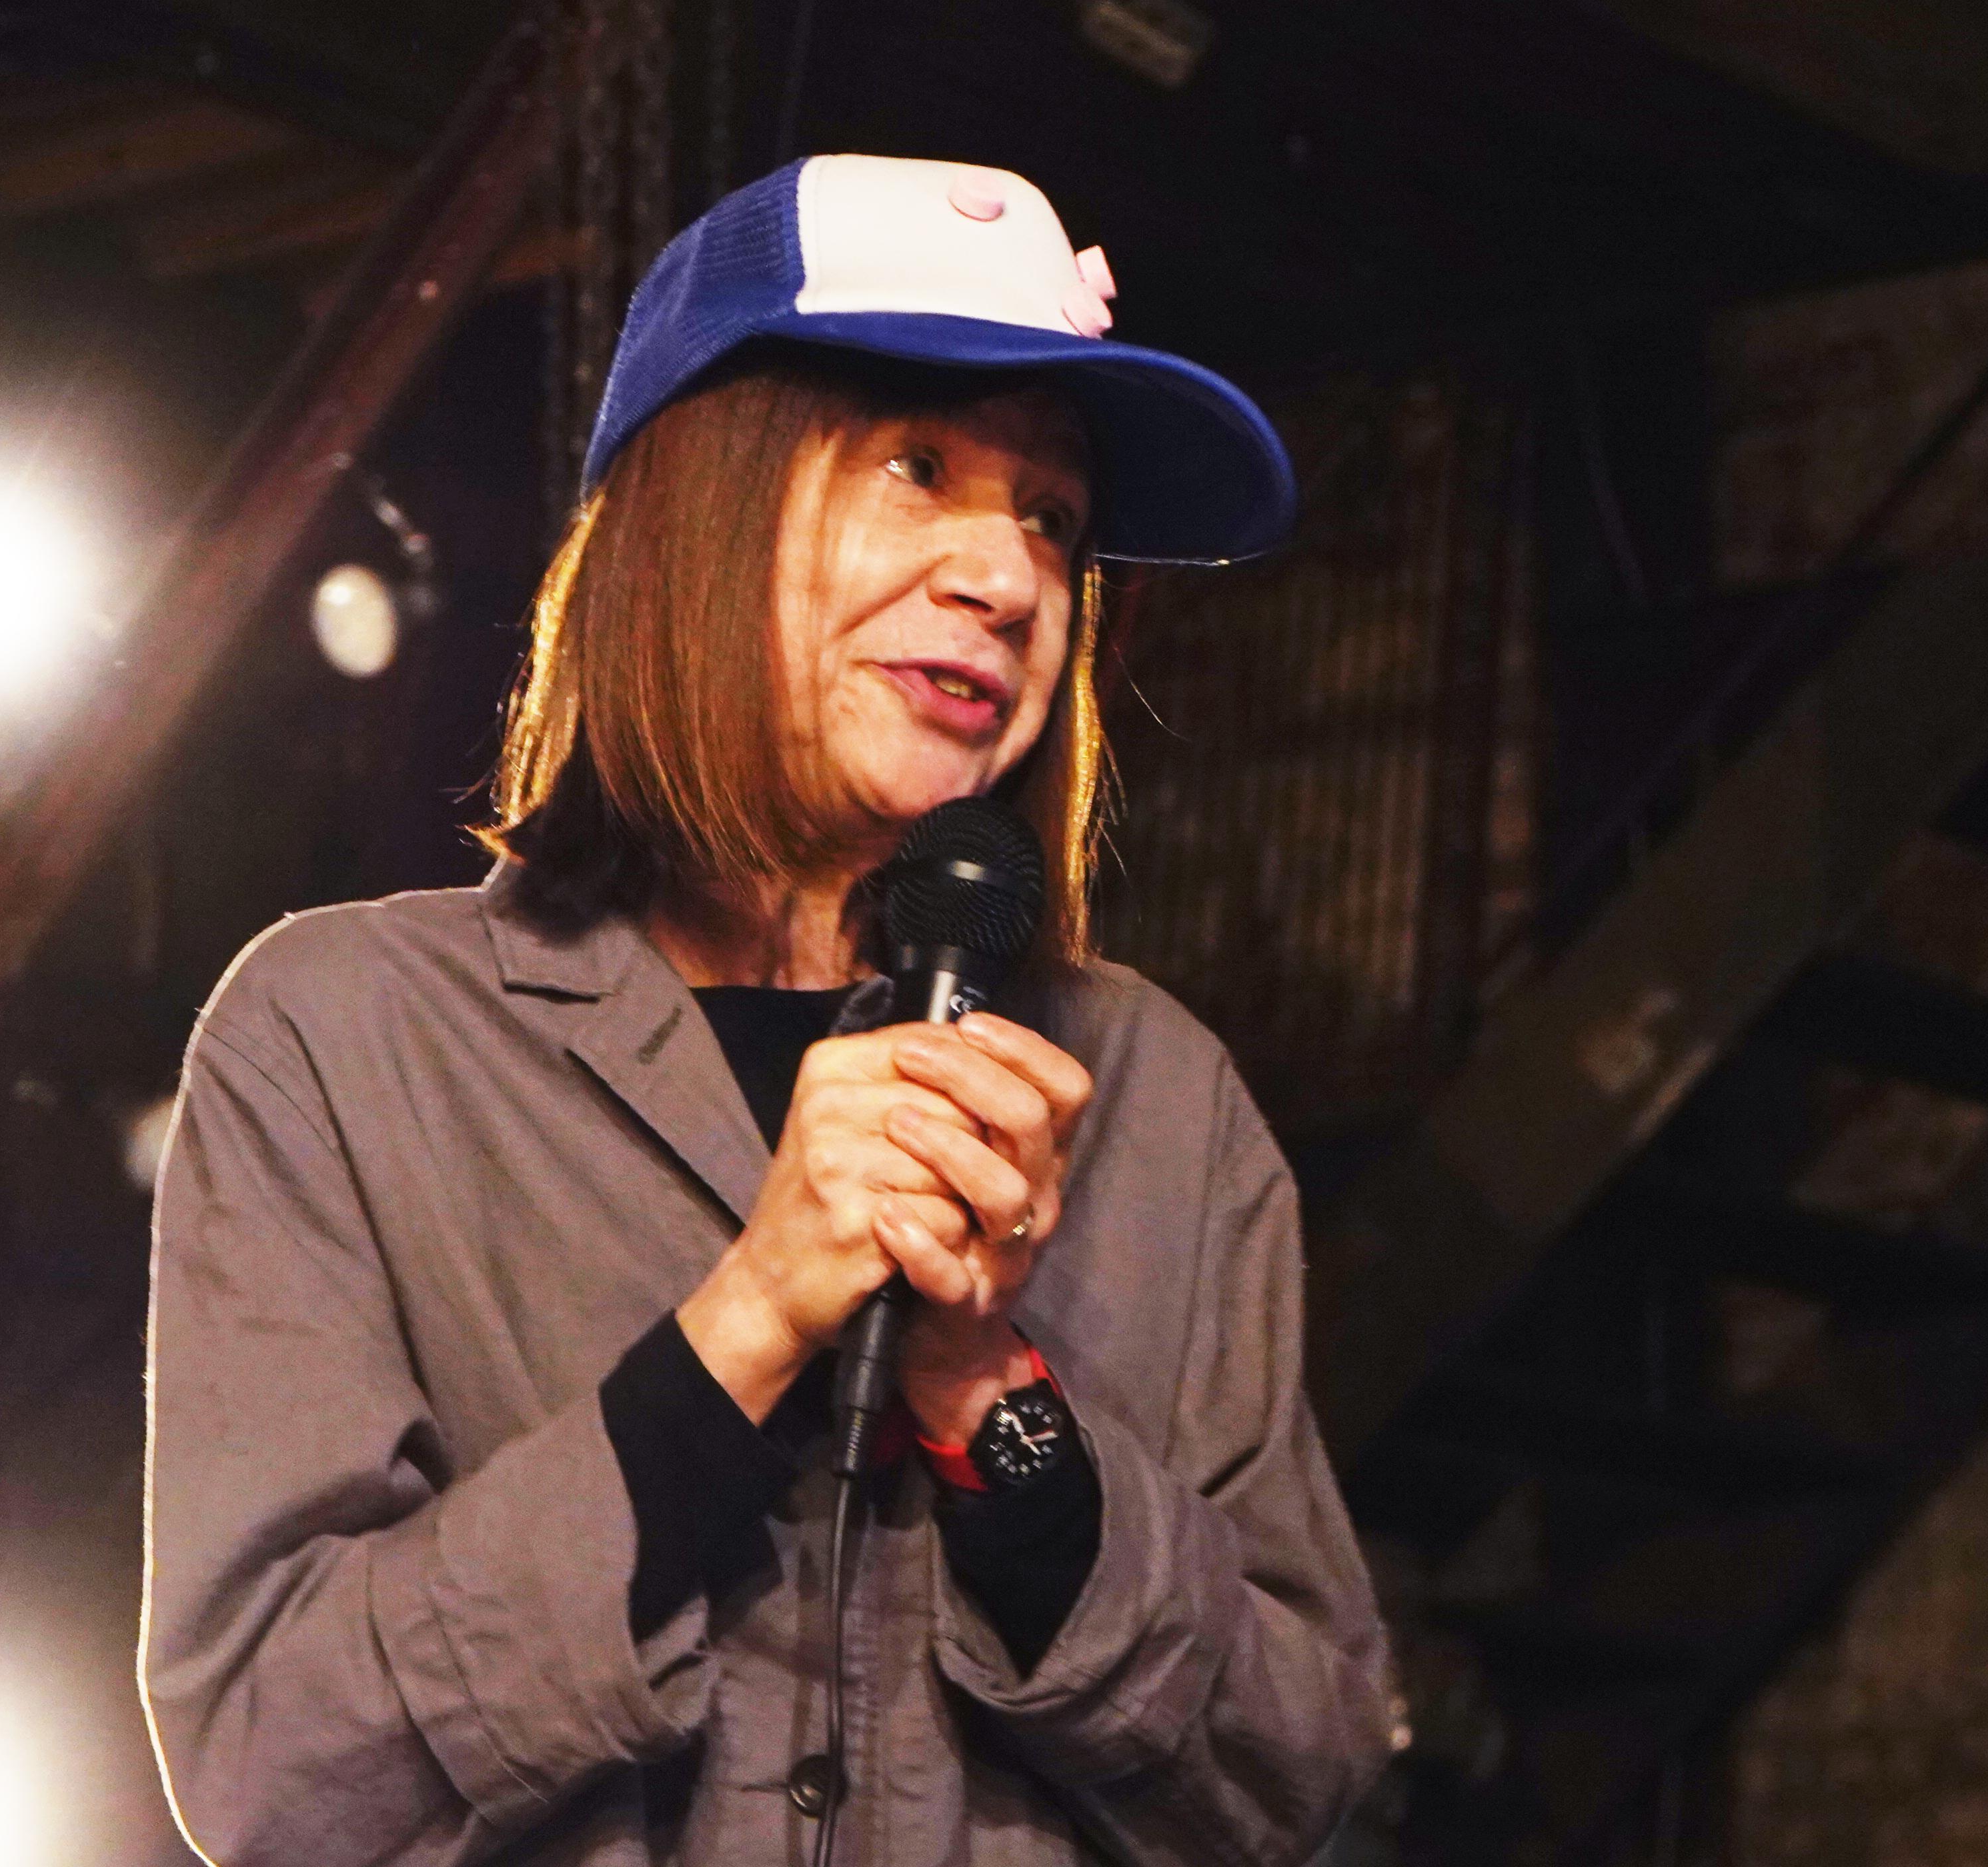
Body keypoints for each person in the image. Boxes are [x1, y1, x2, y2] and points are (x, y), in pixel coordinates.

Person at [141, 154, 1392, 1867]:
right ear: (700, 507)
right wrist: (751, 1320)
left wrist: (991, 1398)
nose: (1008, 577)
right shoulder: (346, 1037)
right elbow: (273, 1764)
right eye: (919, 466)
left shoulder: (1162, 1096)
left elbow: (1297, 1770)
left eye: (1053, 515)